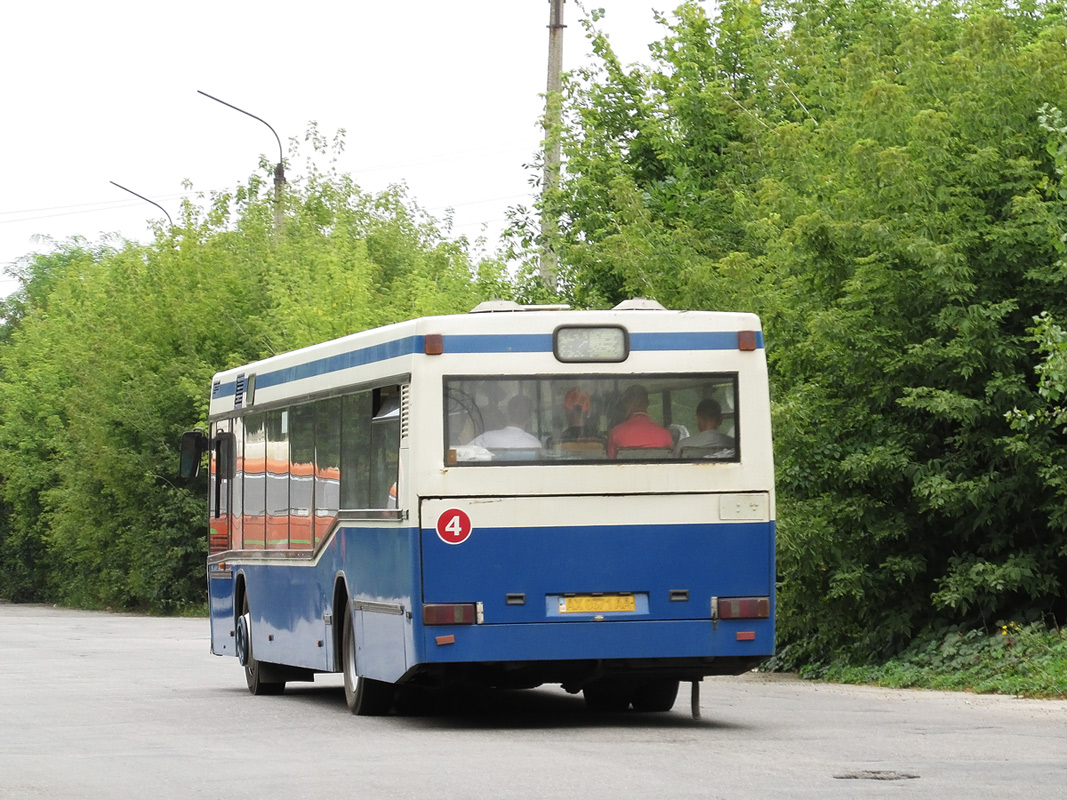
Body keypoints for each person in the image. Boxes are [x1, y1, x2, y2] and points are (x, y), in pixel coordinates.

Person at [606, 384, 673, 458]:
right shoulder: (665, 434)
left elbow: (610, 463)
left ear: (626, 404)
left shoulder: (616, 433)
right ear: (648, 403)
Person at [468, 394, 542, 449]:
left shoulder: (486, 438)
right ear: (530, 418)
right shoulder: (535, 444)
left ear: (506, 414)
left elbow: (460, 455)